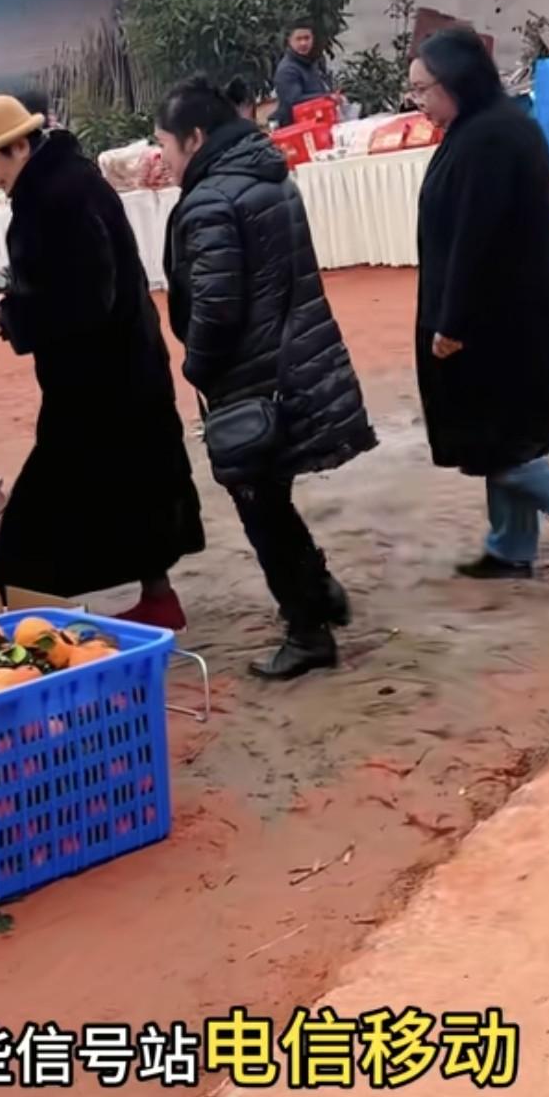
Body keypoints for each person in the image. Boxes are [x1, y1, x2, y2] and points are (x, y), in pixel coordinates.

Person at [156, 75, 375, 680]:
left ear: (194, 138)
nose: (163, 159)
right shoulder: (267, 176)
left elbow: (216, 306)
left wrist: (197, 366)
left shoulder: (210, 201)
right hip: (289, 360)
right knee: (271, 495)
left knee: (259, 504)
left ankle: (307, 631)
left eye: (165, 145)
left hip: (251, 376)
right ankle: (319, 591)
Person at [0, 94, 204, 626]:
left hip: (98, 384)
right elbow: (70, 275)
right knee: (136, 489)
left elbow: (86, 296)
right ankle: (158, 598)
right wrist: (13, 286)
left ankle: (26, 625)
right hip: (121, 371)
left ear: (19, 147)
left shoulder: (54, 196)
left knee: (36, 524)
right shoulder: (66, 181)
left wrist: (10, 316)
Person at [412, 28, 549, 584]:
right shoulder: (482, 127)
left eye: (422, 89)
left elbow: (476, 241)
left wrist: (453, 321)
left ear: (456, 82)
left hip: (497, 318)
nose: (417, 101)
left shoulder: (491, 138)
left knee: (497, 440)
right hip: (505, 310)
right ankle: (511, 546)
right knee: (498, 430)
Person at [271, 21, 331, 129]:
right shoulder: (287, 70)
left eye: (307, 38)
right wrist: (326, 97)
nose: (303, 43)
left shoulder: (311, 61)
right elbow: (294, 100)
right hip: (296, 127)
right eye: (298, 39)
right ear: (290, 41)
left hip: (315, 120)